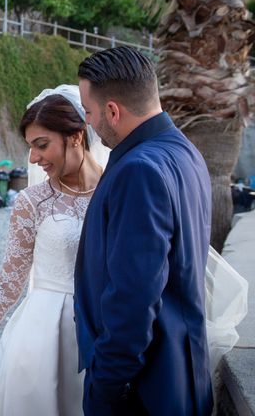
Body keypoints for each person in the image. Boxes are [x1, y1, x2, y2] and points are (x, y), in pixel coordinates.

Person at [75, 47, 213, 415]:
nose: (88, 122)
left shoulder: (139, 170)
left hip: (147, 387)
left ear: (113, 111)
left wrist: (106, 387)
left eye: (88, 112)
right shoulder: (187, 153)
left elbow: (133, 297)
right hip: (185, 374)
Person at [0, 86, 103, 415]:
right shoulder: (32, 202)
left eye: (41, 145)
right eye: (31, 148)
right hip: (41, 337)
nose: (33, 159)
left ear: (77, 135)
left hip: (103, 336)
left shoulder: (117, 189)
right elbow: (9, 281)